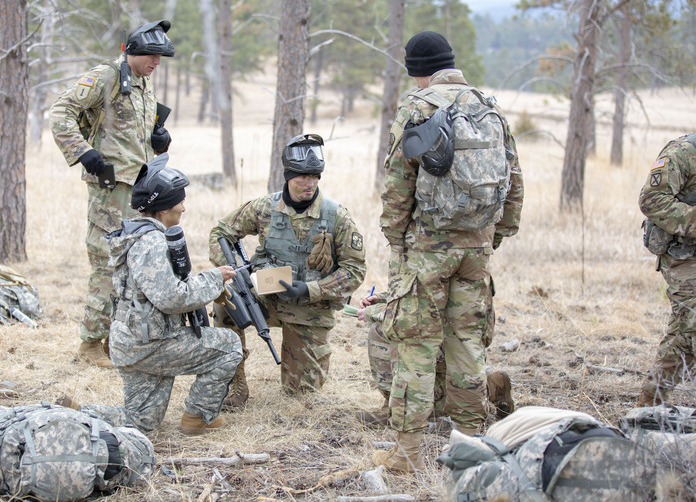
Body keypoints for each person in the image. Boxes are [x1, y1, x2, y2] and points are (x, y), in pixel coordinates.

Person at [373, 31, 524, 474]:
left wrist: (397, 241)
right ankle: (472, 446)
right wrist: (495, 235)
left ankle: (405, 455)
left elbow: (398, 182)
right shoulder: (489, 105)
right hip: (475, 247)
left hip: (428, 249)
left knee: (416, 348)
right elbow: (513, 178)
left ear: (415, 68)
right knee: (467, 346)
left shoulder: (419, 106)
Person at [57, 154, 243, 435]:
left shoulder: (136, 235)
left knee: (141, 422)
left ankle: (77, 415)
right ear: (164, 207)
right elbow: (170, 298)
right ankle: (199, 416)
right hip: (152, 343)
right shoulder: (152, 242)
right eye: (180, 200)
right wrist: (213, 279)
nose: (183, 207)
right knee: (229, 345)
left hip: (134, 342)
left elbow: (159, 288)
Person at [49, 19, 175, 368]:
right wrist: (82, 152)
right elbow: (60, 112)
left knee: (136, 266)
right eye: (152, 55)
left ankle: (115, 340)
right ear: (133, 51)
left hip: (140, 188)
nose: (157, 63)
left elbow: (132, 127)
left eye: (161, 57)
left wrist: (158, 137)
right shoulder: (105, 77)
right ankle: (89, 345)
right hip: (110, 189)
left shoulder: (144, 83)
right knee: (106, 264)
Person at [208, 133, 366, 404]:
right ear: (288, 176)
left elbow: (355, 270)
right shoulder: (264, 208)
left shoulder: (336, 215)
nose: (310, 183)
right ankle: (236, 385)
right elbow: (220, 232)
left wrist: (310, 288)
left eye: (315, 176)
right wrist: (236, 271)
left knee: (300, 397)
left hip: (310, 307)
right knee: (226, 305)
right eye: (302, 177)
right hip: (267, 297)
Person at [355, 291, 514, 428]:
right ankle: (489, 388)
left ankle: (399, 410)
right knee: (457, 393)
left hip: (447, 342)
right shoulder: (467, 261)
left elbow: (418, 311)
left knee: (382, 330)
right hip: (465, 350)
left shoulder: (438, 259)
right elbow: (421, 293)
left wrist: (376, 310)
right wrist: (383, 298)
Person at [638, 133, 696, 406]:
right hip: (683, 255)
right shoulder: (682, 153)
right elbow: (651, 200)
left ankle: (651, 401)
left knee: (684, 333)